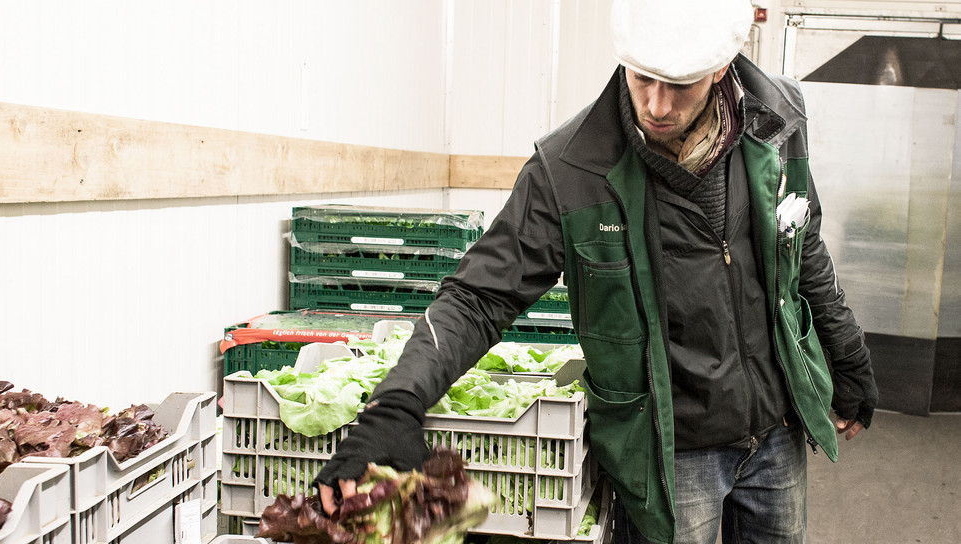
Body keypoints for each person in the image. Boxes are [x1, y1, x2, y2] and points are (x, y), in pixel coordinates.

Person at [314, 0, 879, 542]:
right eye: (641, 79)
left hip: (776, 432)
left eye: (678, 85)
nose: (656, 106)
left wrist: (848, 357)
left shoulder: (776, 121)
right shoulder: (571, 167)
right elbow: (479, 295)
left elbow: (801, 243)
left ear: (719, 69)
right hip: (670, 451)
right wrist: (398, 402)